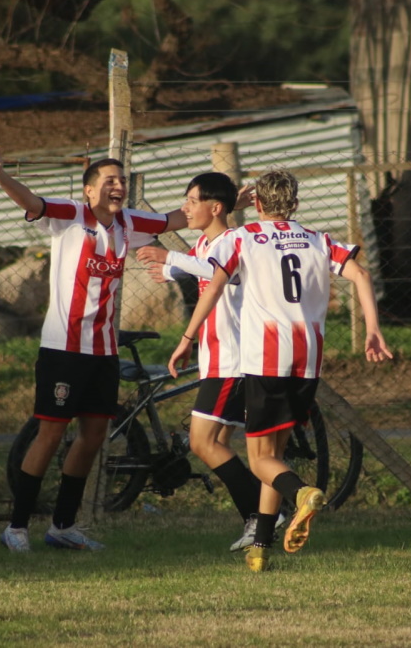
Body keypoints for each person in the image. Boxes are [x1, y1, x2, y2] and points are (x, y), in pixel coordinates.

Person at [167, 170, 393, 572]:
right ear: (296, 203)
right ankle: (261, 548)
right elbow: (361, 273)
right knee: (276, 452)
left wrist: (187, 337)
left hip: (266, 359)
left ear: (256, 204)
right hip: (308, 360)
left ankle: (303, 493)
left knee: (260, 461)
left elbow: (216, 286)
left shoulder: (243, 237)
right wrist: (372, 330)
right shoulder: (317, 239)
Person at [0, 142, 188, 552]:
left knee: (94, 435)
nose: (119, 186)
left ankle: (62, 526)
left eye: (123, 180)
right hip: (64, 348)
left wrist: (226, 200)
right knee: (51, 433)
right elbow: (30, 201)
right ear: (90, 190)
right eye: (110, 180)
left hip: (104, 351)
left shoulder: (128, 222)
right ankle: (17, 526)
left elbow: (172, 220)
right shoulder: (70, 215)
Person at [137, 172, 276, 552]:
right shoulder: (205, 241)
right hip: (216, 358)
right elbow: (201, 263)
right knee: (216, 442)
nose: (185, 207)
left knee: (203, 442)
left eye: (192, 201)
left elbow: (221, 274)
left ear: (214, 208)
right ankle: (257, 520)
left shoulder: (235, 240)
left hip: (232, 360)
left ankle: (265, 517)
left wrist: (170, 257)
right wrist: (169, 269)